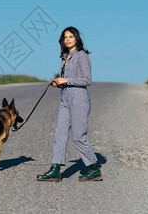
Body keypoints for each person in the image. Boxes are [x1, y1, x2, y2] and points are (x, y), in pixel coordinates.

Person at [37, 26, 101, 182]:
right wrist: (59, 83)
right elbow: (68, 79)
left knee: (78, 137)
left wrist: (66, 80)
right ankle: (55, 169)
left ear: (77, 39)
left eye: (71, 36)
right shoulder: (65, 57)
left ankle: (94, 168)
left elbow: (87, 80)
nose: (67, 39)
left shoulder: (82, 56)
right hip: (65, 99)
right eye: (65, 37)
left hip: (79, 100)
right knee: (60, 134)